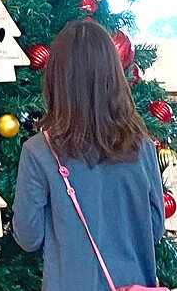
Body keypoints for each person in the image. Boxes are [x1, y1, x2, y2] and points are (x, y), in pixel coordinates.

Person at [13, 20, 165, 291]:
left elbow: (28, 238)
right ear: (115, 77)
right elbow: (154, 230)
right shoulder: (142, 147)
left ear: (56, 80)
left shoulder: (38, 152)